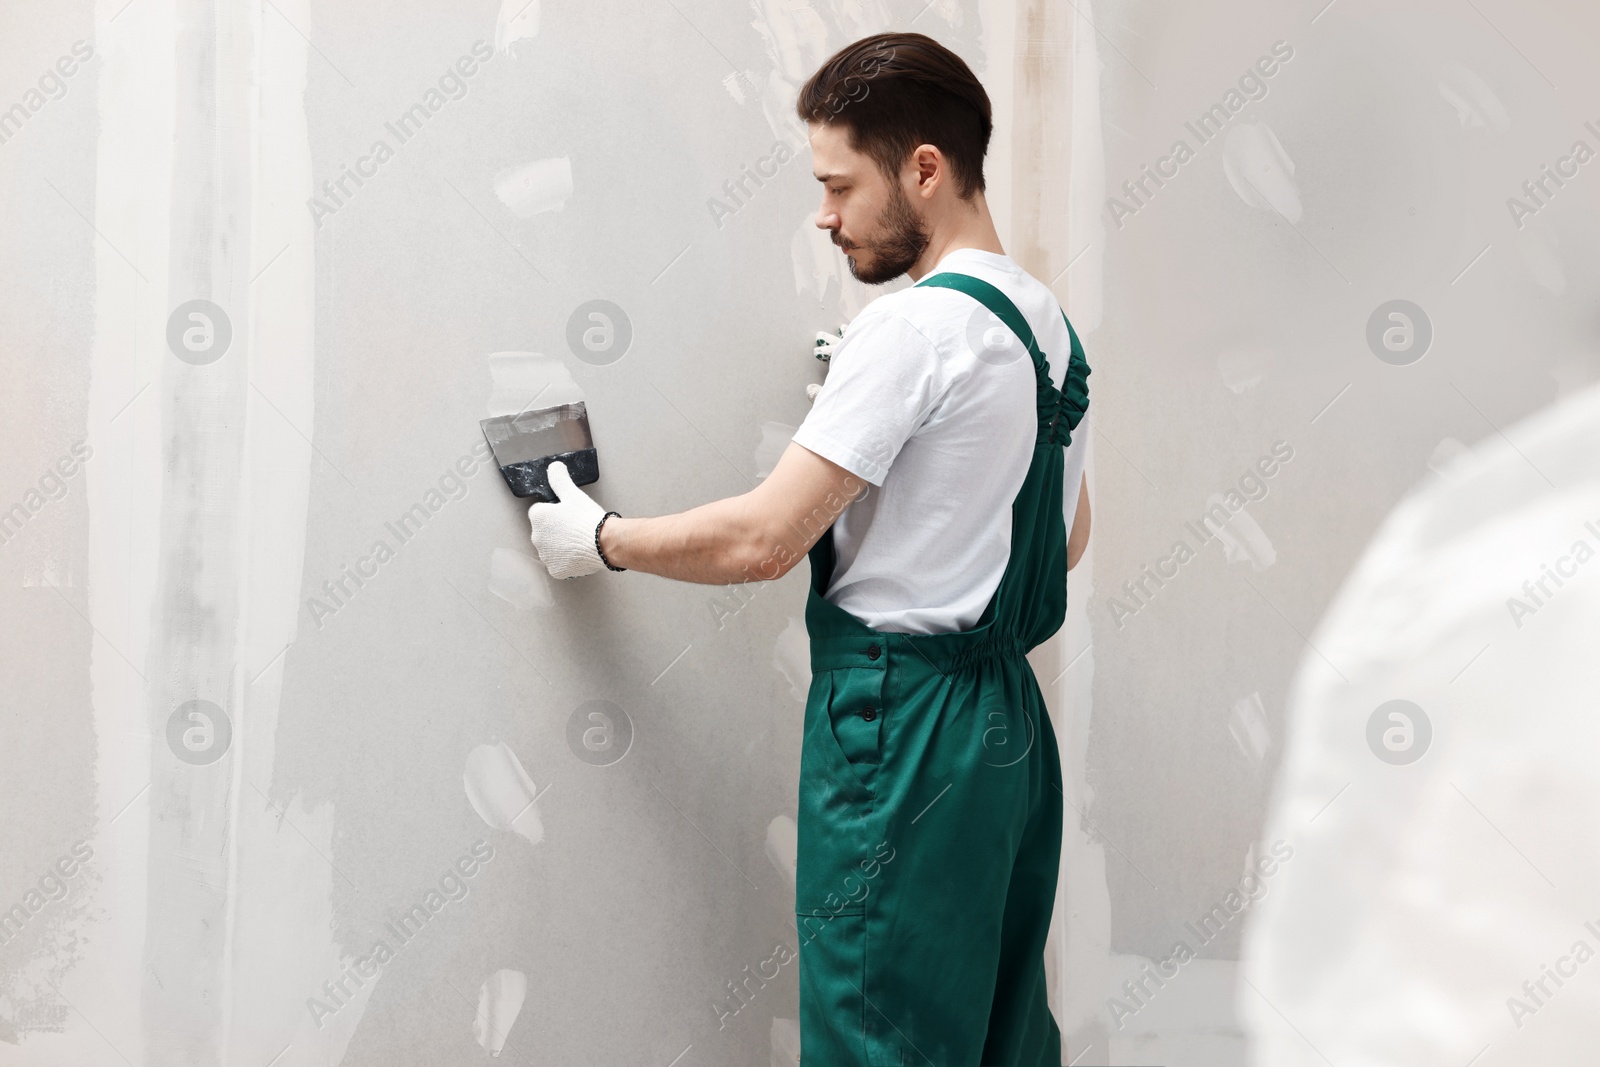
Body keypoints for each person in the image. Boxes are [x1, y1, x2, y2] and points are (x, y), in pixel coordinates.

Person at [526, 31, 1091, 1066]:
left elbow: (761, 540)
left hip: (898, 717)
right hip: (1004, 726)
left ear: (924, 167)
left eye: (840, 184)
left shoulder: (910, 331)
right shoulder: (1042, 324)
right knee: (997, 1033)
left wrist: (597, 538)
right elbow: (1067, 532)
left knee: (879, 1031)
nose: (823, 215)